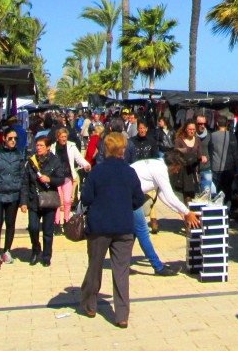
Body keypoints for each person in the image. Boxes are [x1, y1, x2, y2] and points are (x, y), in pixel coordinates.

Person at [80, 133, 146, 329]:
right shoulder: (129, 172)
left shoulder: (97, 172)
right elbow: (138, 200)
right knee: (121, 271)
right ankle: (122, 314)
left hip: (99, 226)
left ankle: (90, 304)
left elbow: (86, 197)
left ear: (106, 150)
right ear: (123, 150)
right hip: (124, 226)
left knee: (95, 266)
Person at [130, 152, 201, 275]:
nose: (177, 172)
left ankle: (123, 264)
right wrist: (187, 212)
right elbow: (169, 195)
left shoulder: (157, 164)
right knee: (143, 232)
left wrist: (180, 211)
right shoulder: (160, 170)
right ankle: (158, 267)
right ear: (173, 164)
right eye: (178, 168)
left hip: (129, 196)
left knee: (133, 233)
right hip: (129, 197)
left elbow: (162, 195)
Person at [20, 136, 64, 266]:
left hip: (48, 200)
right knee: (33, 228)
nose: (38, 148)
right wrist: (23, 202)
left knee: (47, 230)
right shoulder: (31, 162)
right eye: (37, 145)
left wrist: (50, 179)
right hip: (33, 199)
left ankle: (46, 257)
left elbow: (61, 179)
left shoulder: (55, 161)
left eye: (41, 146)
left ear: (48, 147)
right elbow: (25, 183)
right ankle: (35, 249)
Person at [0, 127, 24, 269]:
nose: (13, 141)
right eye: (10, 138)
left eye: (15, 138)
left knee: (10, 223)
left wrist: (22, 198)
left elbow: (21, 175)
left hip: (13, 193)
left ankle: (7, 250)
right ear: (4, 139)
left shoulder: (19, 155)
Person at [51, 127, 91, 230]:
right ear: (58, 137)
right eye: (61, 137)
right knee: (58, 201)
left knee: (67, 200)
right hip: (56, 177)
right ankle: (56, 223)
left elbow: (79, 158)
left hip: (68, 176)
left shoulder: (71, 146)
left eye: (65, 136)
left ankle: (66, 221)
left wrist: (86, 165)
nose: (64, 139)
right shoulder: (53, 147)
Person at [208, 117, 238, 206]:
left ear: (217, 124)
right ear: (227, 124)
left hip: (215, 167)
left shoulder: (212, 136)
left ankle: (218, 207)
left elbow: (210, 151)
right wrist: (237, 168)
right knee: (228, 190)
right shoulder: (232, 136)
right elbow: (235, 153)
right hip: (228, 168)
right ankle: (227, 209)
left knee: (218, 190)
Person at [173, 121, 204, 201]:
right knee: (184, 197)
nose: (192, 131)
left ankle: (191, 211)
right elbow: (175, 155)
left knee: (192, 196)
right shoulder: (179, 141)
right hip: (183, 172)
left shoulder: (197, 140)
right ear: (186, 129)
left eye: (194, 129)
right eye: (190, 129)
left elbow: (200, 154)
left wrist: (202, 158)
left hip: (193, 172)